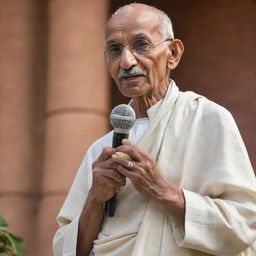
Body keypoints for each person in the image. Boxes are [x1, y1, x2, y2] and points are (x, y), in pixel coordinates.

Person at [53, 3, 256, 256]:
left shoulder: (207, 119)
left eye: (141, 44)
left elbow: (244, 227)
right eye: (115, 50)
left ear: (173, 53)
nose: (126, 62)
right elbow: (67, 249)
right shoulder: (100, 149)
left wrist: (162, 189)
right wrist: (96, 198)